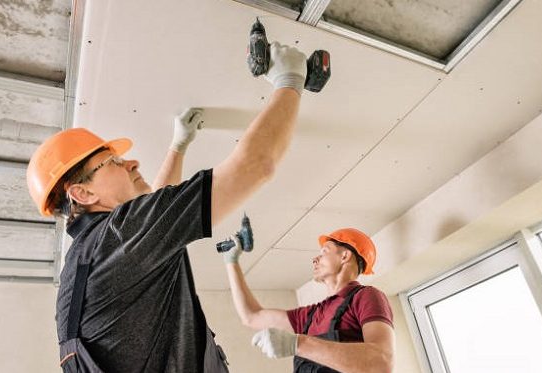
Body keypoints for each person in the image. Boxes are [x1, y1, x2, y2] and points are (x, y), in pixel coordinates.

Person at [26, 42, 308, 372]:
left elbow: (155, 222)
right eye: (114, 162)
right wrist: (290, 80)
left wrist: (178, 146)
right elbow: (256, 165)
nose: (131, 162)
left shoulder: (86, 262)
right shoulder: (120, 236)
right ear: (83, 194)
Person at [223, 227, 395, 372]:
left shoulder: (366, 296)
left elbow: (383, 361)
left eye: (324, 251)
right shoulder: (310, 315)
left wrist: (299, 343)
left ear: (345, 256)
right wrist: (232, 262)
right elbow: (252, 316)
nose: (315, 259)